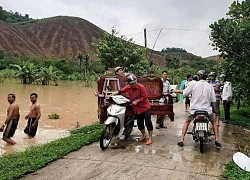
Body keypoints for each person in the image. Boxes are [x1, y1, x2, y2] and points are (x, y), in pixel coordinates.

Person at [173, 70, 221, 148]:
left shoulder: (193, 85)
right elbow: (213, 100)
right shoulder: (210, 86)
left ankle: (181, 139)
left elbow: (185, 93)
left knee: (187, 122)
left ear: (198, 77)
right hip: (207, 110)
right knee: (213, 122)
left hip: (194, 110)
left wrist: (176, 91)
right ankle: (217, 139)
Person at [108, 74, 153, 145]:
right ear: (129, 84)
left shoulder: (141, 87)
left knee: (148, 122)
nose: (134, 85)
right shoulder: (128, 87)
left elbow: (145, 97)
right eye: (132, 84)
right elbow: (120, 91)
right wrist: (113, 94)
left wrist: (137, 101)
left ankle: (150, 138)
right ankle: (143, 135)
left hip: (145, 108)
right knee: (140, 124)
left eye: (135, 83)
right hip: (137, 109)